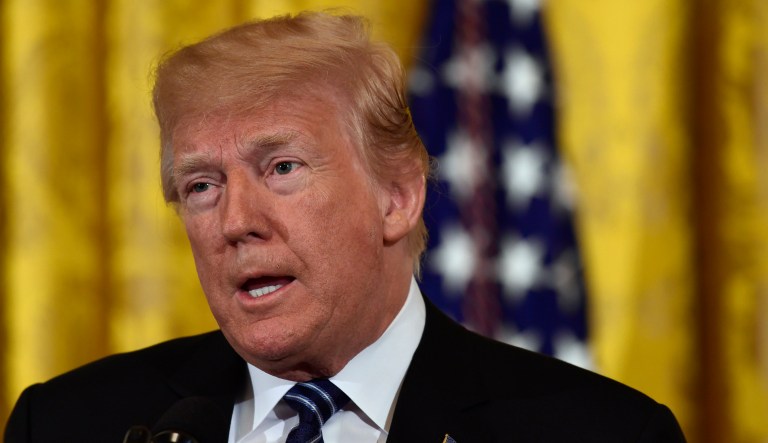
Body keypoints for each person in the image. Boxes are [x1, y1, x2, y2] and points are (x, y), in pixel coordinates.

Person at [4, 11, 686, 443]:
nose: (236, 222)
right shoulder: (69, 423)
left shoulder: (599, 432)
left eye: (282, 167)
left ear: (398, 196)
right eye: (202, 186)